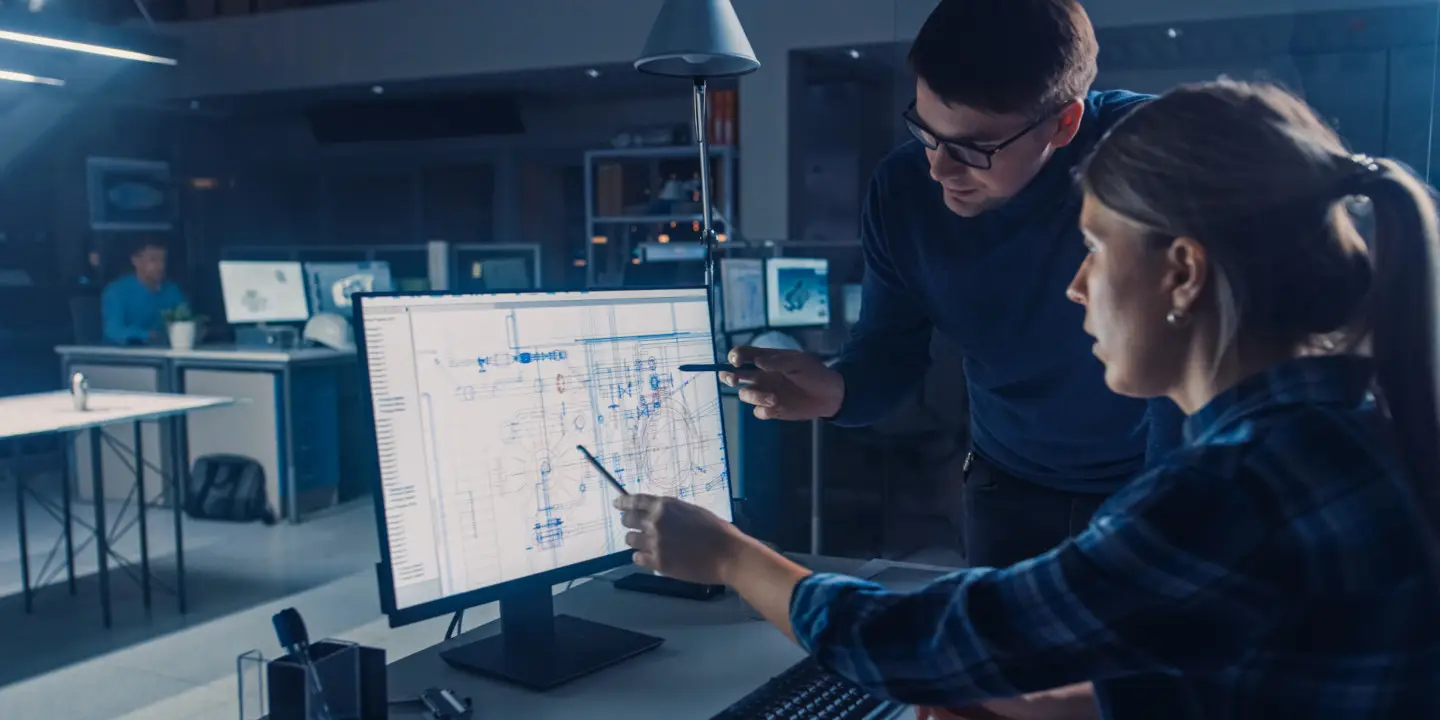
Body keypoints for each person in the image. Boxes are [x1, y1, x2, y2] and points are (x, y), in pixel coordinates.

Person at [617, 80, 1440, 718]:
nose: (1076, 288)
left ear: (1184, 272)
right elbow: (1246, 678)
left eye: (1094, 248)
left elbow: (914, 646)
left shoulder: (1230, 493)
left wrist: (726, 555)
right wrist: (1050, 705)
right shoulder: (1348, 431)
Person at [723, 0, 1183, 568]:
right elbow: (889, 349)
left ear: (1064, 123)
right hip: (1006, 484)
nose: (939, 168)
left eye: (974, 146)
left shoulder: (1158, 155)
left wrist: (1174, 510)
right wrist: (837, 391)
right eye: (925, 130)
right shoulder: (904, 191)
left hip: (1157, 479)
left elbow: (1198, 355)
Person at [101, 236, 186, 345]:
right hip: (124, 358)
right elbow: (113, 331)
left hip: (164, 355)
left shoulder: (172, 291)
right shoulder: (116, 291)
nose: (160, 266)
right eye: (153, 260)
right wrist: (147, 335)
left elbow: (185, 320)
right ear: (135, 260)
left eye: (163, 260)